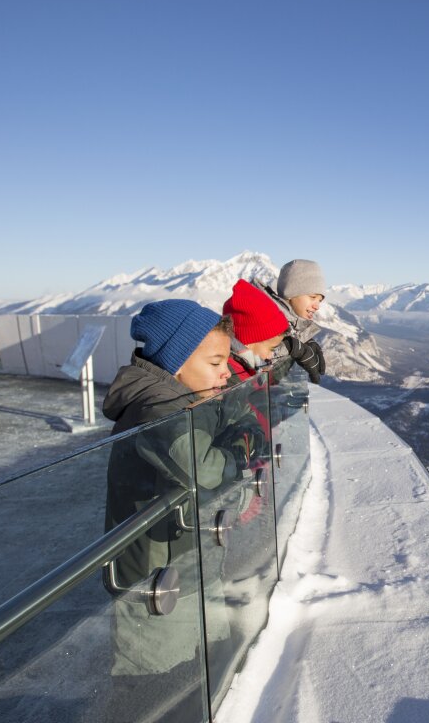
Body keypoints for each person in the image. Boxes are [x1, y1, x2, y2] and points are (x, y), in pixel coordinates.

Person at [101, 299, 260, 720]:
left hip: (186, 566)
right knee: (154, 694)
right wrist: (241, 452)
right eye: (215, 362)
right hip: (154, 585)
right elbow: (206, 474)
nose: (227, 373)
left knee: (193, 682)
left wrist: (239, 436)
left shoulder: (188, 399)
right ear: (175, 361)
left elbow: (242, 418)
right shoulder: (157, 410)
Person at [252, 258, 327, 383]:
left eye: (319, 300)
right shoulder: (264, 317)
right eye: (312, 297)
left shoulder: (288, 322)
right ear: (291, 293)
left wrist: (302, 340)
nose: (317, 306)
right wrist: (289, 347)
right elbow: (257, 362)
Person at [222, 278, 290, 382]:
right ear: (248, 342)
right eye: (271, 349)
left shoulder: (250, 366)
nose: (271, 355)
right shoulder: (231, 375)